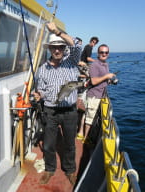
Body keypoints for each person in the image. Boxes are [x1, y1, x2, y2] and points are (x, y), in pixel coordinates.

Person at [33, 22, 81, 186]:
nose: (58, 50)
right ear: (50, 49)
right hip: (50, 111)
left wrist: (57, 32)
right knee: (48, 144)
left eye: (60, 46)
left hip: (69, 112)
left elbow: (76, 44)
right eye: (54, 47)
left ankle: (70, 170)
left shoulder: (72, 62)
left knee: (69, 144)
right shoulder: (42, 69)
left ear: (63, 48)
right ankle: (50, 169)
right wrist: (39, 94)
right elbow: (42, 89)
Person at [83, 44, 116, 143]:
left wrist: (109, 81)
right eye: (102, 52)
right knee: (90, 119)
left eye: (106, 52)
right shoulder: (95, 65)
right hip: (94, 96)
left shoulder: (105, 64)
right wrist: (106, 76)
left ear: (108, 54)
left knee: (91, 117)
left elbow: (102, 79)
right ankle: (85, 139)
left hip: (101, 95)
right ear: (98, 53)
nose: (104, 54)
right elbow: (93, 81)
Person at [77, 36, 99, 141]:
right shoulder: (89, 47)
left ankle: (85, 84)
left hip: (82, 64)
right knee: (91, 76)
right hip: (82, 65)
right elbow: (89, 58)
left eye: (95, 42)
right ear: (92, 41)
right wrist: (97, 62)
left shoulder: (87, 46)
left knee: (90, 73)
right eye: (93, 42)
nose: (93, 43)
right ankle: (87, 86)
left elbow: (86, 59)